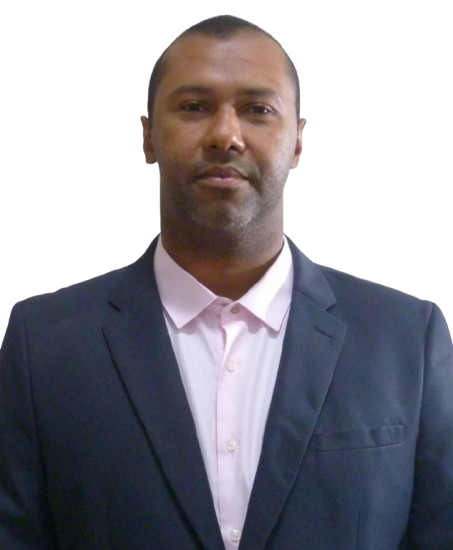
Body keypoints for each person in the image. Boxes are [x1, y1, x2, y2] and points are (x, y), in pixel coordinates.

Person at [1, 14, 452, 550]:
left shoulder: (405, 338)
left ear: (298, 141)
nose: (225, 136)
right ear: (147, 137)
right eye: (194, 107)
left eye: (258, 110)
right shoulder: (44, 344)